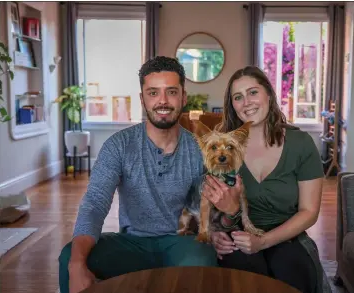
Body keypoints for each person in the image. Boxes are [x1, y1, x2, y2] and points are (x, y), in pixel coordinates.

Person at [58, 56, 219, 293]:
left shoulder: (199, 149)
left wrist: (226, 212)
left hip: (180, 242)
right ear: (142, 99)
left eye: (171, 92)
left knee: (203, 260)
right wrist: (76, 264)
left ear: (183, 97)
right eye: (153, 92)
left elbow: (202, 206)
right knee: (69, 257)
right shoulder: (119, 145)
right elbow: (95, 203)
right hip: (130, 243)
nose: (162, 101)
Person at [201, 66, 332, 293]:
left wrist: (263, 241)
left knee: (290, 270)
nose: (247, 102)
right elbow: (212, 205)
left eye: (253, 92)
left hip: (287, 236)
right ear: (232, 105)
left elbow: (309, 211)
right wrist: (215, 233)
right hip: (237, 235)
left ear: (268, 95)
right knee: (242, 276)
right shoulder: (222, 148)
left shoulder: (301, 144)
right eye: (238, 97)